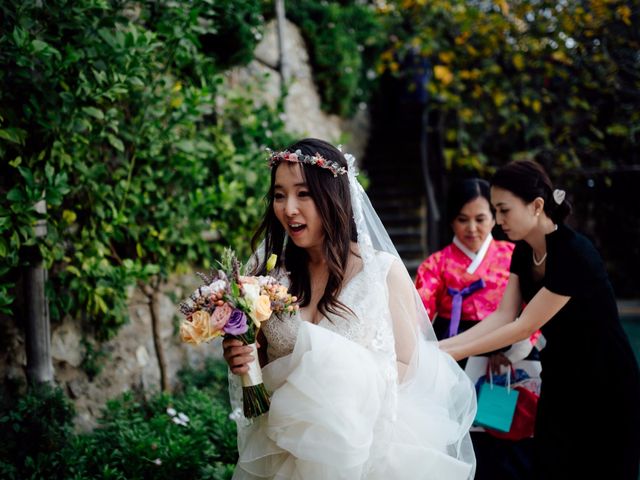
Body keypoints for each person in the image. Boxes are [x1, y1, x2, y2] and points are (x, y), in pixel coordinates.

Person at [222, 138, 477, 479]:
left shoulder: (381, 272)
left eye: (303, 194)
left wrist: (345, 384)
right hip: (283, 446)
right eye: (280, 195)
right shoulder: (265, 272)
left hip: (367, 449)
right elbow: (263, 358)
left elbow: (408, 364)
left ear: (333, 196)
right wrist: (244, 358)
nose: (288, 208)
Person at [440, 160, 640, 479]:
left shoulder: (575, 253)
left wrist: (453, 354)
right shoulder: (523, 251)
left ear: (536, 206)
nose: (498, 220)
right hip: (561, 376)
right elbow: (504, 315)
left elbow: (523, 326)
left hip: (605, 381)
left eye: (504, 210)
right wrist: (442, 347)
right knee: (550, 465)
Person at [415, 178, 541, 480]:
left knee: (515, 434)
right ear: (450, 220)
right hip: (457, 353)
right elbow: (418, 313)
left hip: (513, 350)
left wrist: (514, 350)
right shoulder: (436, 264)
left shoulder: (514, 254)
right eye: (462, 219)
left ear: (494, 217)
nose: (471, 228)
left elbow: (534, 309)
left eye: (480, 219)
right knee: (464, 435)